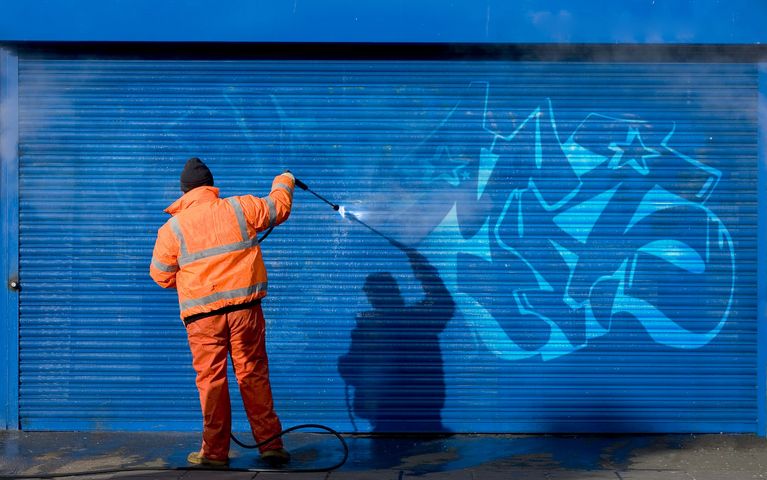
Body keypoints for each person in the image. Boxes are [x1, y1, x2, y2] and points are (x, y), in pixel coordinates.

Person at [149, 157, 294, 467]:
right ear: (210, 186)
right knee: (253, 373)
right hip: (245, 311)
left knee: (211, 381)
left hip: (202, 318)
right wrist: (285, 179)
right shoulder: (240, 208)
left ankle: (214, 454)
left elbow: (160, 275)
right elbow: (278, 207)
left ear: (184, 191)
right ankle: (270, 445)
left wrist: (195, 282)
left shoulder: (172, 228)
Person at [338, 243, 455, 433]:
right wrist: (422, 267)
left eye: (371, 293)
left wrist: (344, 365)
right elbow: (443, 301)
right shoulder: (419, 318)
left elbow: (352, 370)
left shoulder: (369, 327)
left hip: (388, 417)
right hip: (423, 413)